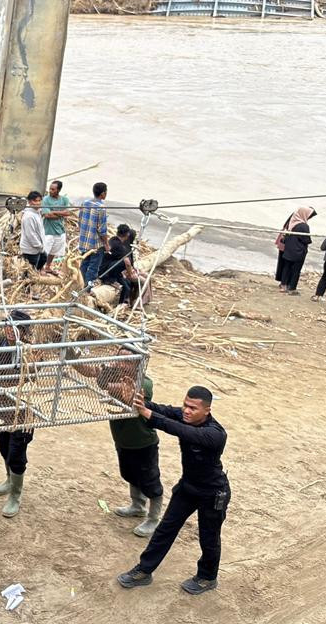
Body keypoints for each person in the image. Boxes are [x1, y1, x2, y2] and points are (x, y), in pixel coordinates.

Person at [117, 385, 230, 596]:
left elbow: (178, 429)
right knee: (165, 529)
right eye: (185, 405)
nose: (186, 411)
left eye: (193, 408)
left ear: (207, 410)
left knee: (209, 537)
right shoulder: (184, 415)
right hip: (188, 487)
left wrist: (148, 414)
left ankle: (207, 577)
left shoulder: (215, 434)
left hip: (213, 493)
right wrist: (139, 402)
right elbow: (162, 411)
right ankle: (144, 571)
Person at [98, 351, 164, 538]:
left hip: (143, 442)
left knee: (150, 481)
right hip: (123, 439)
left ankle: (153, 518)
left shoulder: (144, 383)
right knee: (129, 474)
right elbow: (102, 382)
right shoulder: (116, 374)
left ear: (138, 363)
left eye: (127, 360)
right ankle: (138, 506)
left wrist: (104, 371)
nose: (121, 363)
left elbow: (111, 387)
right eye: (120, 357)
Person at [0, 310, 35, 518]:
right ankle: (9, 479)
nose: (11, 331)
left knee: (17, 453)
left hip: (22, 412)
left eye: (16, 328)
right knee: (4, 447)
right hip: (2, 406)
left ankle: (15, 496)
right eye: (8, 326)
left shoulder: (29, 349)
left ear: (24, 331)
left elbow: (29, 377)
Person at [273, 207, 316, 293]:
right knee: (296, 269)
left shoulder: (292, 223)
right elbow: (306, 240)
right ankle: (291, 288)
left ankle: (283, 285)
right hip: (298, 251)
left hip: (288, 249)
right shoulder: (304, 226)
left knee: (286, 267)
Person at [78, 182, 110, 286]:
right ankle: (87, 289)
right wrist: (106, 244)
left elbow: (80, 220)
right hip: (96, 244)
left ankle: (80, 285)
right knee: (93, 268)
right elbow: (102, 229)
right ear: (103, 193)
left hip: (84, 241)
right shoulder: (101, 207)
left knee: (84, 264)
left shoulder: (85, 203)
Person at [98, 230, 138, 306]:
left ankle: (124, 303)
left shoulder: (113, 240)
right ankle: (124, 302)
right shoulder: (121, 246)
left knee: (128, 285)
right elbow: (127, 263)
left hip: (111, 270)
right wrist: (130, 273)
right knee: (134, 282)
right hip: (108, 272)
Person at [41, 180, 73, 273]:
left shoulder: (64, 200)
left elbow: (68, 212)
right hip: (48, 230)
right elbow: (47, 215)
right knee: (45, 250)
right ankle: (41, 268)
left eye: (53, 189)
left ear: (58, 190)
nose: (50, 191)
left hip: (60, 230)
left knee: (53, 251)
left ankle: (48, 266)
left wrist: (54, 211)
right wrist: (61, 213)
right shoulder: (46, 199)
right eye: (50, 189)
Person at [19, 191, 47, 271]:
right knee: (30, 271)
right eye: (35, 201)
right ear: (30, 202)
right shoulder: (29, 216)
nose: (38, 203)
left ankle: (36, 275)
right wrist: (39, 246)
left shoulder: (37, 213)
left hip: (38, 248)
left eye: (39, 200)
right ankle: (28, 281)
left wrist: (41, 246)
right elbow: (30, 235)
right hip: (30, 249)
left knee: (43, 258)